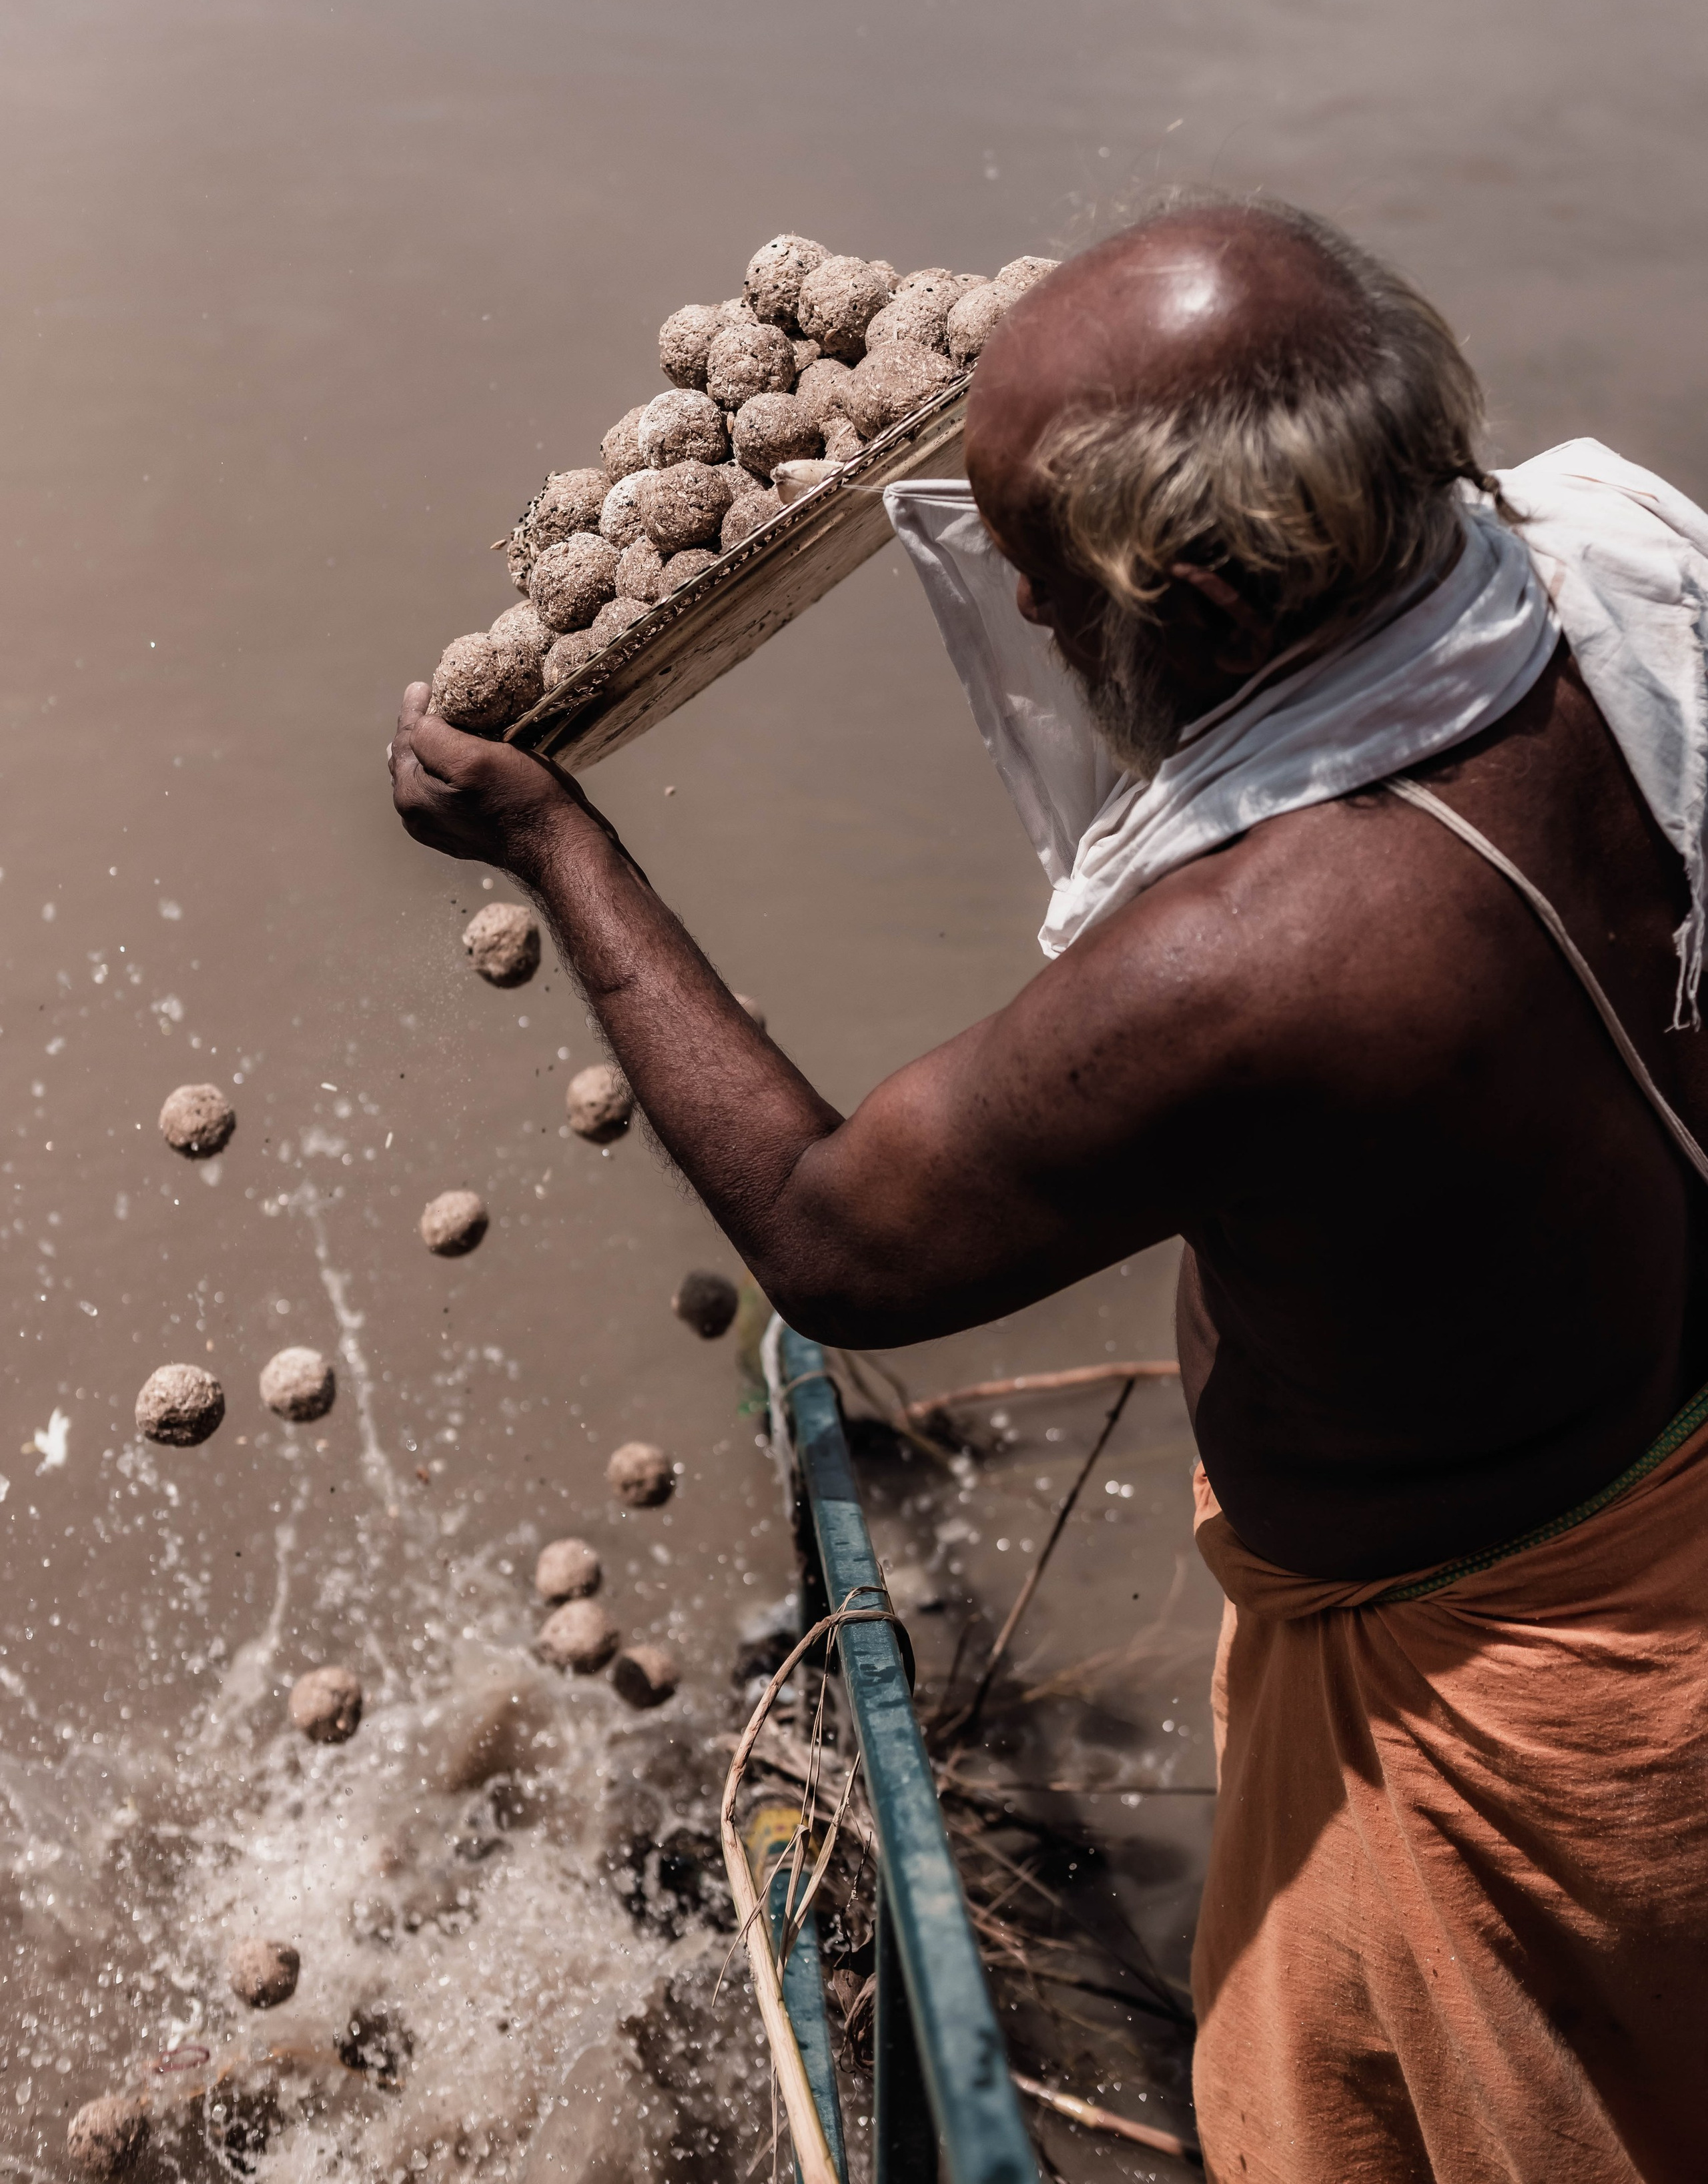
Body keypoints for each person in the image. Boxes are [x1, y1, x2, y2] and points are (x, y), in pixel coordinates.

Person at [390, 194, 1708, 2184]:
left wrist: (556, 844)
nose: (1023, 613)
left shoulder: (1269, 955)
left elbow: (837, 1239)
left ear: (1212, 589)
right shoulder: (1615, 568)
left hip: (1521, 1699)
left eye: (1034, 569)